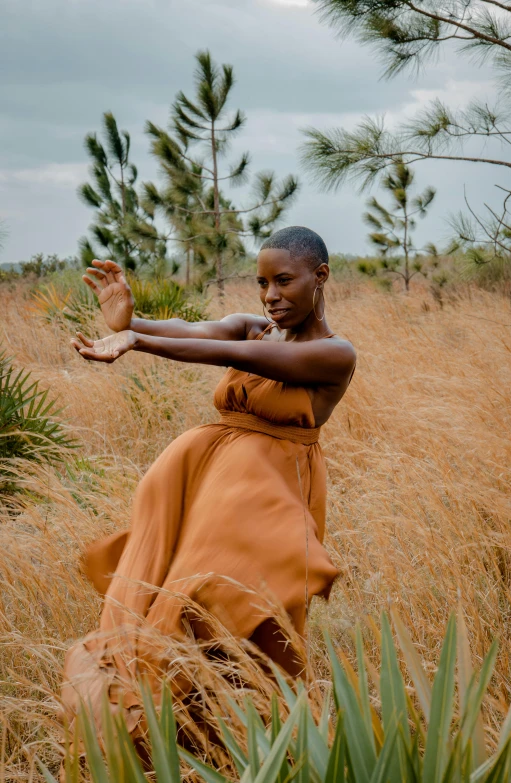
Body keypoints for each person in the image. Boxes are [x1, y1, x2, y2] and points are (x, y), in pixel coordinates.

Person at [62, 226, 356, 731]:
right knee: (170, 605)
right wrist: (133, 320)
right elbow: (194, 330)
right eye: (262, 283)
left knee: (240, 618)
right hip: (200, 496)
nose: (270, 296)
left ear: (320, 276)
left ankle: (250, 739)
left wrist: (137, 340)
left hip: (264, 506)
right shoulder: (254, 326)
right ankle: (168, 736)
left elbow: (234, 357)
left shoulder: (334, 353)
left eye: (283, 281)